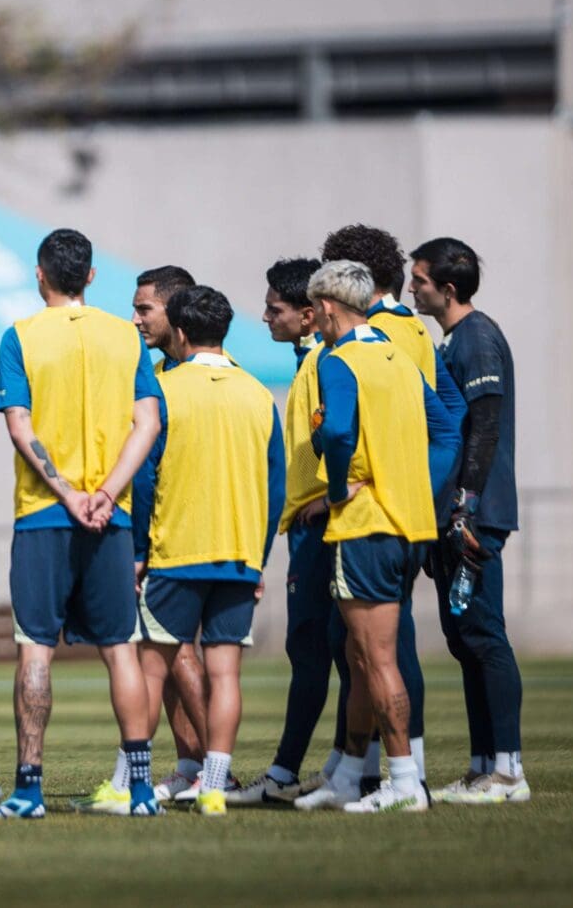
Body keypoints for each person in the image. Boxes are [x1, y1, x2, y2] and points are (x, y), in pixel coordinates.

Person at [0, 228, 161, 820]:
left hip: (43, 516)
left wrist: (66, 494)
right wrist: (107, 494)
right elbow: (148, 424)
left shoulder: (21, 336)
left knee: (36, 649)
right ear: (91, 276)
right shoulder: (125, 336)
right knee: (122, 650)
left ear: (41, 276)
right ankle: (141, 792)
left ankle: (29, 791)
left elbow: (19, 424)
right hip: (112, 517)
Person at [293, 260, 459, 813]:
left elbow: (337, 431)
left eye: (312, 308)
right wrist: (416, 489)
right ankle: (347, 776)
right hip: (407, 524)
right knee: (360, 655)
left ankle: (404, 782)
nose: (310, 317)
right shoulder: (397, 355)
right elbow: (447, 431)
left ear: (329, 308)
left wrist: (338, 487)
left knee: (375, 656)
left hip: (366, 527)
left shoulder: (339, 361)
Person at [72, 266, 233, 814]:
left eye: (145, 309)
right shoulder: (170, 371)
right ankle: (194, 766)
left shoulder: (181, 381)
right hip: (201, 535)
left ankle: (213, 770)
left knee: (170, 649)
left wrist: (139, 547)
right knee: (165, 651)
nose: (135, 318)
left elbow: (149, 471)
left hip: (177, 535)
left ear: (176, 312)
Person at [130, 285, 284, 817]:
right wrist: (258, 556)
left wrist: (138, 549)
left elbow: (145, 481)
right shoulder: (259, 394)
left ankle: (136, 786)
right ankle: (214, 787)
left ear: (182, 331)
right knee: (226, 677)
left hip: (176, 551)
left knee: (149, 670)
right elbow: (276, 489)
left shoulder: (164, 390)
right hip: (239, 556)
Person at [409, 237, 527, 804]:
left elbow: (486, 426)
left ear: (447, 289)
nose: (413, 287)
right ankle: (484, 767)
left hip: (473, 514)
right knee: (463, 639)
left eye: (421, 280)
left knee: (485, 636)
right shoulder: (454, 339)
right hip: (456, 512)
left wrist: (466, 505)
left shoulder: (477, 340)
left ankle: (509, 771)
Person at [234, 256, 339, 805]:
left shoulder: (328, 362)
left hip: (324, 528)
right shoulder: (310, 360)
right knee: (328, 649)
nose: (264, 317)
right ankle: (350, 766)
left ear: (307, 314)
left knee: (316, 648)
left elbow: (346, 436)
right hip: (308, 527)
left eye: (274, 309)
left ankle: (287, 773)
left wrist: (329, 494)